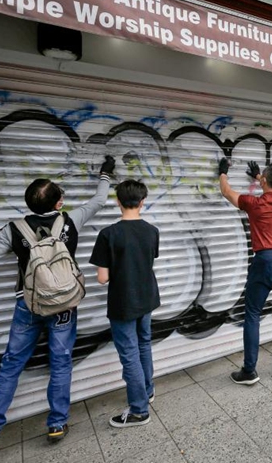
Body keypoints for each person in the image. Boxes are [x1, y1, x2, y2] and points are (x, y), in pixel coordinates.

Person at [0, 157, 115, 460]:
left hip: (29, 304)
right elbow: (100, 199)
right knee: (60, 363)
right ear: (59, 202)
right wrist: (105, 172)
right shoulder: (70, 220)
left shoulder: (15, 229)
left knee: (11, 365)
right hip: (63, 305)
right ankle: (57, 424)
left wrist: (15, 247)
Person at [218, 157, 272, 384]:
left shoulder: (254, 204)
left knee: (252, 314)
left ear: (265, 181)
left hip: (264, 262)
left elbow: (226, 192)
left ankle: (249, 371)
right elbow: (270, 186)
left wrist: (223, 172)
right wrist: (258, 177)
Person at [90, 179, 160, 428]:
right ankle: (147, 391)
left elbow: (102, 278)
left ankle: (139, 410)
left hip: (123, 303)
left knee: (129, 354)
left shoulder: (108, 234)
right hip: (147, 297)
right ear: (143, 202)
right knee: (143, 345)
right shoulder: (152, 231)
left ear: (117, 201)